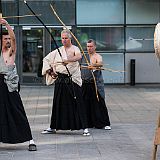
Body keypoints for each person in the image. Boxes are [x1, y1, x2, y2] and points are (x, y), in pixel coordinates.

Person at [41, 29, 90, 136]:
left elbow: (79, 56)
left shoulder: (75, 48)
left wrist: (68, 59)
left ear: (70, 38)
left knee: (78, 102)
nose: (63, 40)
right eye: (62, 38)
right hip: (61, 80)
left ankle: (85, 127)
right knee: (58, 103)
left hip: (72, 80)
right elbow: (46, 59)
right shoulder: (58, 50)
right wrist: (51, 72)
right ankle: (53, 126)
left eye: (66, 38)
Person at [0, 18, 37, 151]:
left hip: (9, 85)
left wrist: (6, 24)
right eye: (5, 39)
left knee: (17, 110)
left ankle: (30, 140)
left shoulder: (11, 52)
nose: (8, 41)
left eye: (8, 39)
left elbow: (14, 39)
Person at [81, 39, 111, 130]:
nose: (89, 48)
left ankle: (104, 123)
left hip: (95, 83)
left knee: (99, 102)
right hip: (85, 83)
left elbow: (100, 63)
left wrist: (93, 65)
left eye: (91, 46)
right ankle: (88, 122)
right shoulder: (83, 56)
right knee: (85, 103)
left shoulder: (97, 56)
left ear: (95, 47)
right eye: (88, 46)